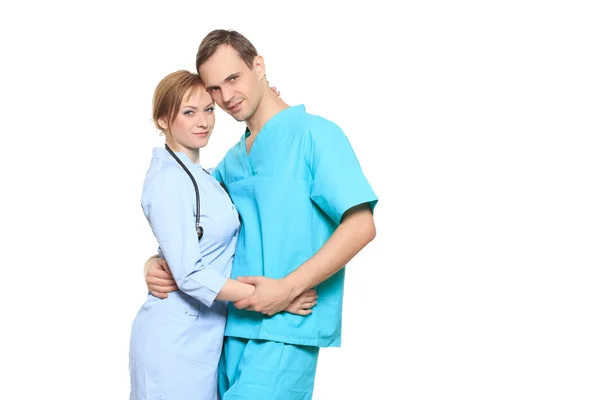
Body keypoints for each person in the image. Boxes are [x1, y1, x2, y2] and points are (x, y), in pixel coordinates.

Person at [145, 29, 378, 400]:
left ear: (259, 66)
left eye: (233, 78)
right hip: (228, 328)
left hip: (286, 326)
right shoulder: (231, 163)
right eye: (214, 89)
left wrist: (287, 289)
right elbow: (199, 228)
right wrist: (157, 260)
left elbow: (362, 225)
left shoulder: (314, 135)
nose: (226, 97)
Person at [129, 70, 317, 400]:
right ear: (162, 119)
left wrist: (267, 110)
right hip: (173, 342)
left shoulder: (204, 176)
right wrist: (277, 298)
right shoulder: (168, 181)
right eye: (189, 112)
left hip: (201, 341)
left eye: (209, 110)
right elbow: (189, 274)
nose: (203, 122)